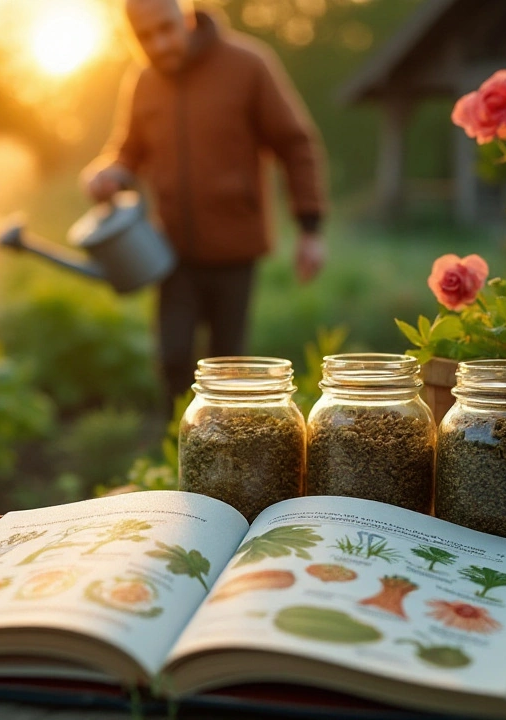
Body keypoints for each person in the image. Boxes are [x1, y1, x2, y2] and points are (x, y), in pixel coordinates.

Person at [83, 0, 328, 417]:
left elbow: (294, 144)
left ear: (187, 15)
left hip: (236, 252)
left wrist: (310, 229)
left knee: (227, 368)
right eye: (144, 37)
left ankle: (227, 463)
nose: (158, 44)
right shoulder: (143, 81)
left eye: (165, 29)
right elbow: (128, 150)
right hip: (170, 254)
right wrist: (109, 172)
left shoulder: (248, 65)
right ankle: (175, 456)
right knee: (173, 359)